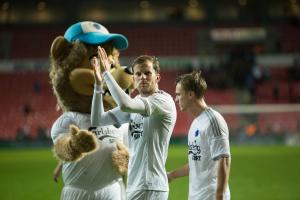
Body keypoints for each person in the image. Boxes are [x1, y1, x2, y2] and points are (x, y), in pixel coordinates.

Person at [91, 47, 177, 200]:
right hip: (134, 185)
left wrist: (106, 74)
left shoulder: (163, 100)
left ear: (157, 77)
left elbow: (126, 105)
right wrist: (98, 85)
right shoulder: (135, 102)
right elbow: (98, 120)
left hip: (152, 186)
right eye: (138, 74)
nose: (142, 77)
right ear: (134, 79)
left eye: (147, 73)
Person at [167, 70, 231, 200]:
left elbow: (224, 161)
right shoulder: (196, 123)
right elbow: (196, 164)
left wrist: (219, 196)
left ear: (190, 94)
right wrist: (171, 175)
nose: (176, 99)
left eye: (179, 94)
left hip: (211, 196)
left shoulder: (213, 121)